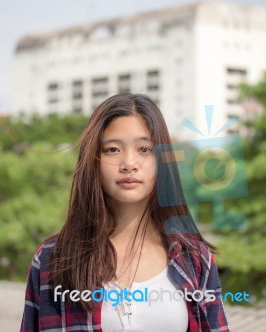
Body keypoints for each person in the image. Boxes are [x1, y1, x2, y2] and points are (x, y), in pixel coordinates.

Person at [20, 92, 230, 332]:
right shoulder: (53, 259)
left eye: (144, 149)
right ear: (94, 160)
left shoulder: (194, 258)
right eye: (112, 149)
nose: (129, 163)